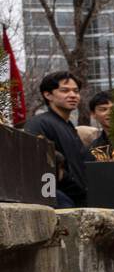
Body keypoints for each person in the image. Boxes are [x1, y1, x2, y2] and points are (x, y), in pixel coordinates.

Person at [25, 71, 90, 208]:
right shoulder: (39, 123)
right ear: (48, 94)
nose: (73, 95)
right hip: (58, 200)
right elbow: (40, 162)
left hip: (79, 200)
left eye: (76, 91)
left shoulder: (69, 126)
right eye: (65, 90)